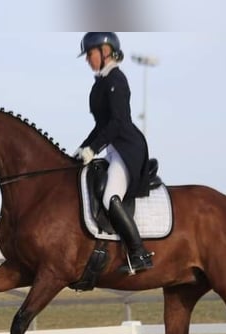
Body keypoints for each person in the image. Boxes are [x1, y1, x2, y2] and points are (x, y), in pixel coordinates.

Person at [74, 32, 153, 274]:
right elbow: (101, 125)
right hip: (113, 148)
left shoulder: (116, 80)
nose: (87, 59)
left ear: (105, 51)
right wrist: (82, 149)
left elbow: (118, 123)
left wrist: (93, 148)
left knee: (110, 197)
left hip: (128, 149)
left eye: (90, 54)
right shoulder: (101, 82)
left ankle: (139, 253)